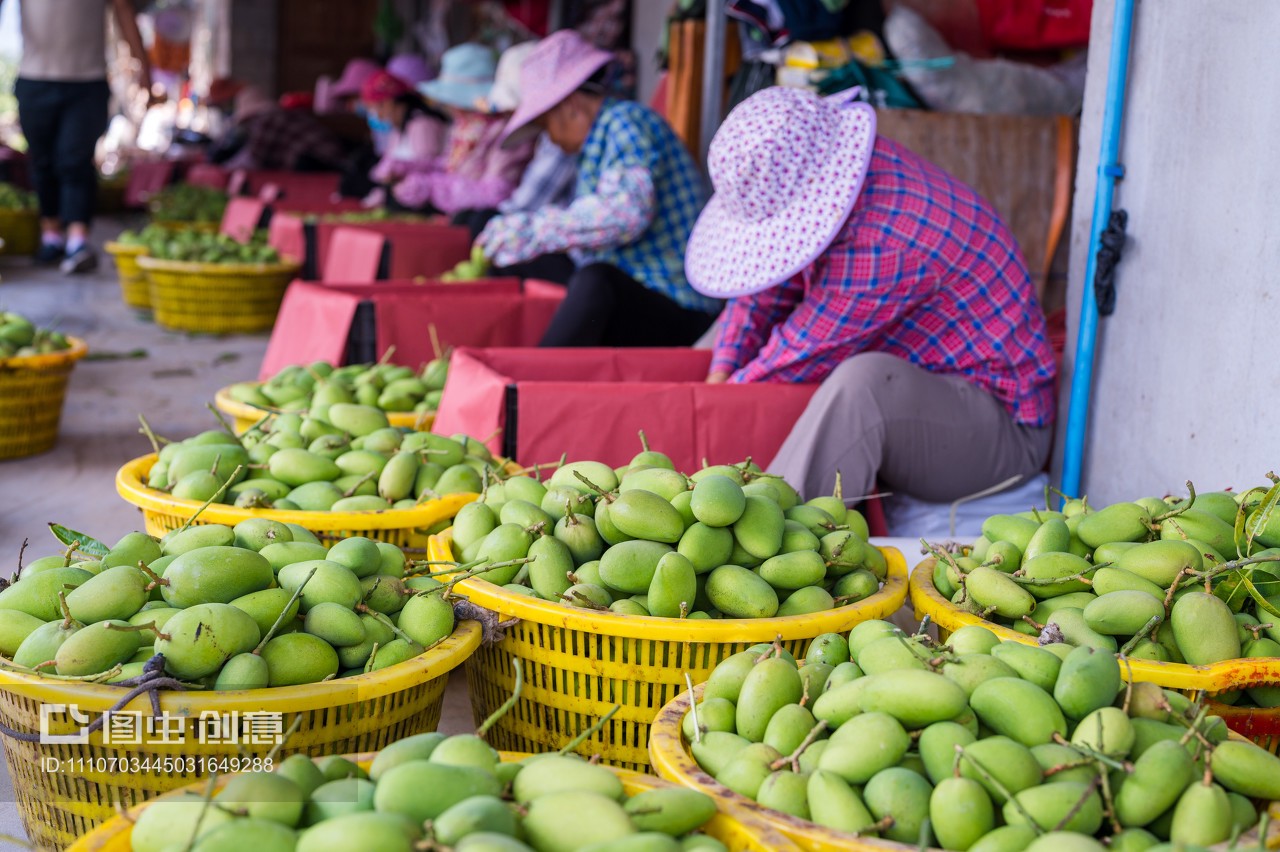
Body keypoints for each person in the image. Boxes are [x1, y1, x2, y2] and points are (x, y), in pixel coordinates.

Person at [684, 86, 1057, 502]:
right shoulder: (850, 172)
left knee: (864, 385)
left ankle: (777, 529)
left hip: (1002, 428)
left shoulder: (883, 244)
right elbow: (764, 287)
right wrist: (720, 374)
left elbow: (796, 357)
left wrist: (716, 401)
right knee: (725, 341)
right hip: (932, 384)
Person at [476, 30, 720, 347]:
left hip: (679, 303)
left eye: (547, 126)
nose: (550, 139)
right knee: (517, 261)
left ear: (571, 106)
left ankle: (535, 373)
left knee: (596, 281)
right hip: (639, 288)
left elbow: (626, 214)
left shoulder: (625, 123)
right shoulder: (594, 143)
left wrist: (532, 230)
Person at [6, 0, 152, 273]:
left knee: (75, 159)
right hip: (35, 78)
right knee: (42, 161)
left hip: (88, 81)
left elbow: (123, 10)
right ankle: (50, 236)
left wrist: (145, 68)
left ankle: (77, 241)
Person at [449, 40, 579, 239]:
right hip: (533, 222)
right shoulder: (547, 137)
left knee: (481, 222)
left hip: (546, 232)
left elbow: (525, 204)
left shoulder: (560, 139)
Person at [392, 43, 533, 216]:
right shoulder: (463, 125)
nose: (450, 106)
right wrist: (408, 168)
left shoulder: (506, 131)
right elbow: (450, 166)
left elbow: (497, 192)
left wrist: (433, 187)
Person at [359, 71, 448, 208]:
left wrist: (398, 173)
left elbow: (429, 166)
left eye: (375, 107)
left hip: (427, 200)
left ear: (389, 102)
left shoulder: (423, 124)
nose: (376, 115)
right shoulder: (398, 129)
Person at [223, 87, 347, 173]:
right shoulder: (278, 114)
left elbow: (254, 158)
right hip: (328, 160)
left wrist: (224, 169)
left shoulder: (267, 121)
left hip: (324, 164)